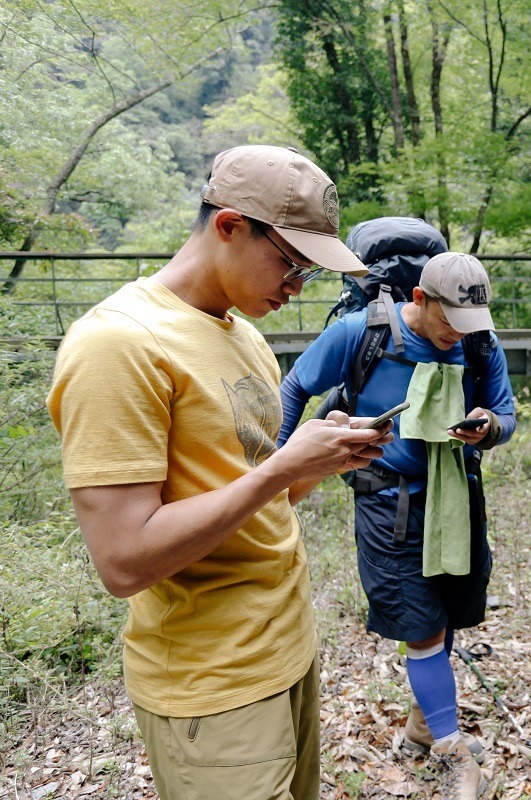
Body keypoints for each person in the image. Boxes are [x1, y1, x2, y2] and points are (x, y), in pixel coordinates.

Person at [46, 144, 392, 800]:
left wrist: (320, 460)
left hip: (286, 651)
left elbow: (264, 493)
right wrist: (278, 471)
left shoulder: (244, 334)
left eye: (308, 273)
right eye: (290, 265)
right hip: (212, 684)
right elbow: (123, 562)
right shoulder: (118, 344)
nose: (295, 289)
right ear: (229, 226)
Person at [276, 250, 516, 799]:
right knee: (420, 623)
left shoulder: (479, 341)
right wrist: (277, 464)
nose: (458, 333)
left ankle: (423, 723)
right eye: (448, 319)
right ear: (419, 300)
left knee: (446, 610)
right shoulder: (361, 333)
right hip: (389, 501)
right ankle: (454, 752)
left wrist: (489, 426)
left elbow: (505, 412)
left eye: (469, 323)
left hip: (455, 496)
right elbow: (296, 388)